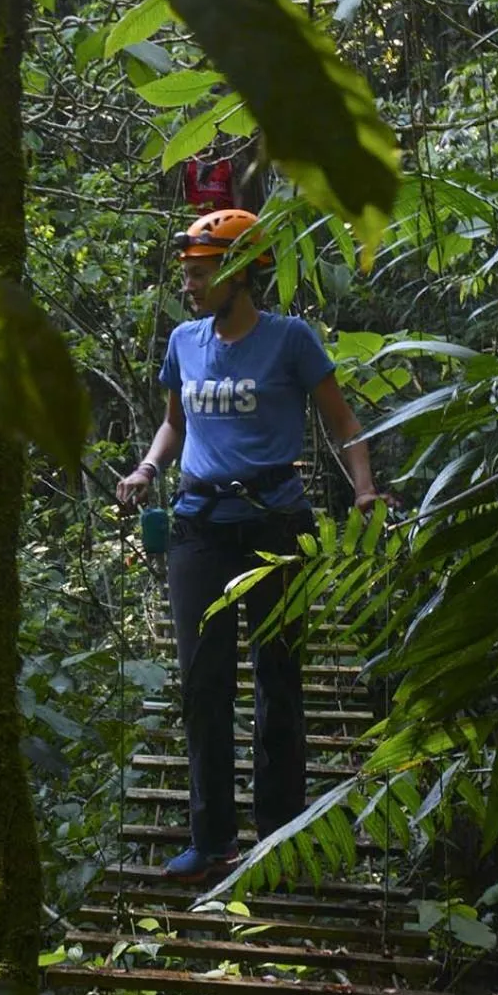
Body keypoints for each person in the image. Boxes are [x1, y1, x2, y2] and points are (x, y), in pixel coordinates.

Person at [116, 209, 382, 884]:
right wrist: (146, 468)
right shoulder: (184, 340)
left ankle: (278, 836)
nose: (188, 285)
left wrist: (363, 489)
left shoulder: (290, 340)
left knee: (278, 678)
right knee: (203, 685)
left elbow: (343, 421)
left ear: (239, 272)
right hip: (199, 525)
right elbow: (173, 424)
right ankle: (212, 841)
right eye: (187, 273)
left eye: (200, 273)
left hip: (276, 525)